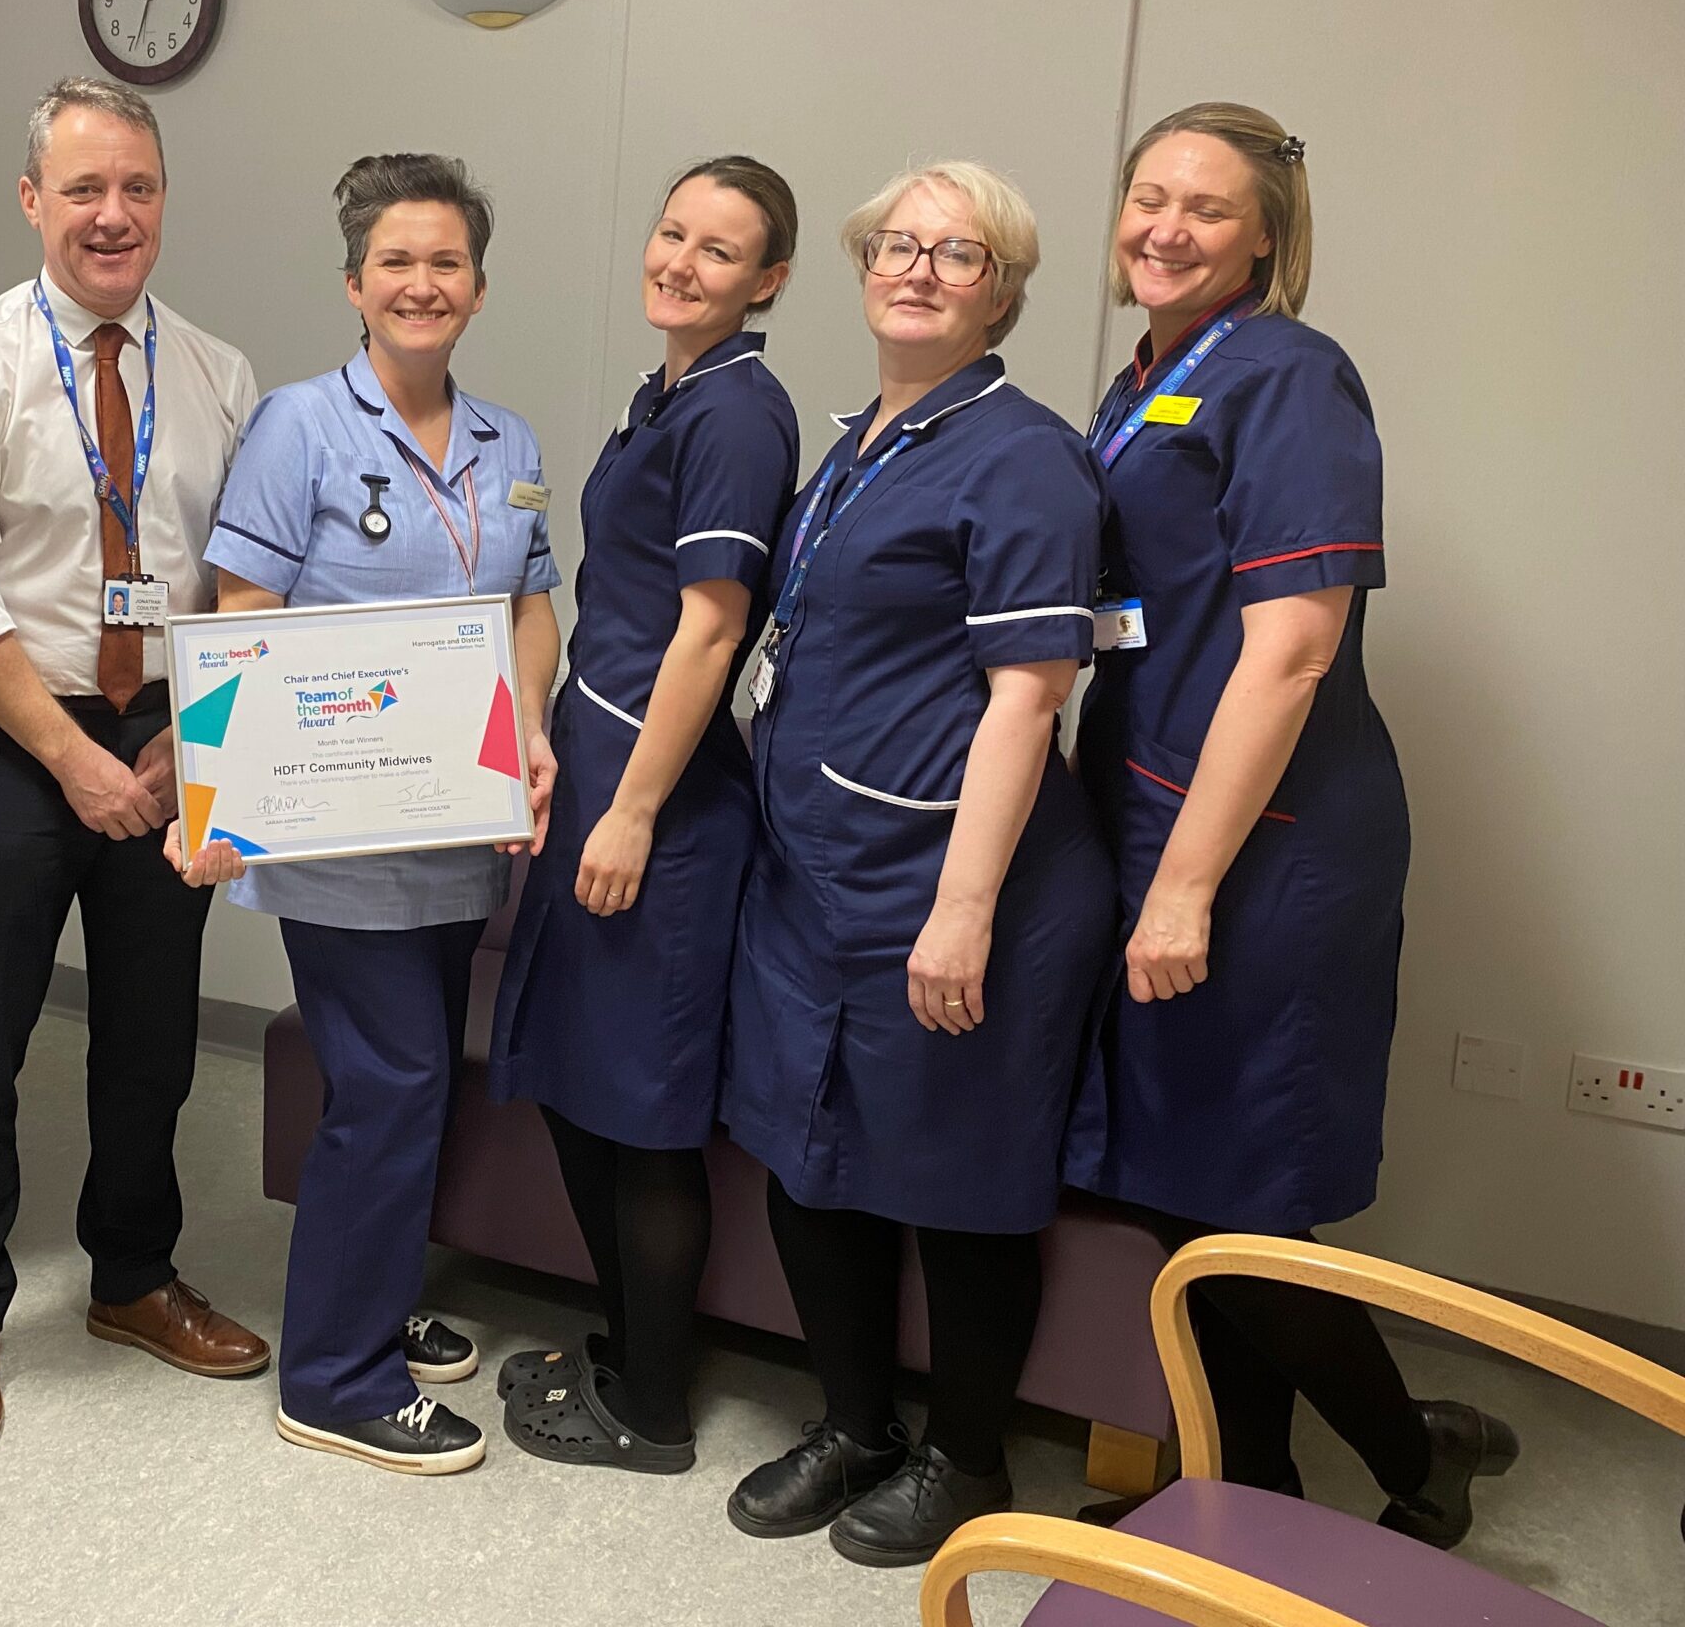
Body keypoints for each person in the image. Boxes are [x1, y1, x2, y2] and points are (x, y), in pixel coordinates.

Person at [1065, 102, 1515, 1546]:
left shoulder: (1290, 376)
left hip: (1264, 839)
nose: (1165, 228)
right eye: (1148, 196)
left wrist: (1186, 885)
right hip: (1156, 805)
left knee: (1235, 1191)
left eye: (1205, 208)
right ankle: (1246, 1490)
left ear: (1265, 237)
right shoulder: (1146, 378)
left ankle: (1414, 1459)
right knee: (1177, 1180)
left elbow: (1294, 651)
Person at [721, 162, 1116, 1565]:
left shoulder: (1022, 456)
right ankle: (855, 1425)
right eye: (898, 245)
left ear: (1001, 292)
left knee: (957, 1178)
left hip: (951, 880)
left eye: (959, 254)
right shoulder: (865, 442)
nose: (919, 271)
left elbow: (1028, 695)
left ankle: (967, 1455)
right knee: (807, 1155)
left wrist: (962, 910)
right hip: (818, 874)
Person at [0, 77, 269, 1454]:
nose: (113, 215)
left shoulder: (219, 376)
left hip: (169, 735)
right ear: (32, 199)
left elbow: (242, 579)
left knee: (153, 1037)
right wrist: (69, 758)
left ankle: (132, 1276)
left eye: (138, 188)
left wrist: (186, 737)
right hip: (11, 734)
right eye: (85, 188)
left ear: (163, 201)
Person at [175, 153, 561, 1476]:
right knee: (388, 1086)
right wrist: (221, 799)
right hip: (338, 834)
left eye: (445, 262)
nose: (421, 283)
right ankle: (334, 1377)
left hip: (458, 823)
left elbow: (528, 609)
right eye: (395, 261)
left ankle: (375, 1298)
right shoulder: (299, 428)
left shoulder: (511, 444)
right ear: (354, 284)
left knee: (413, 1083)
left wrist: (527, 732)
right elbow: (243, 619)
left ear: (478, 288)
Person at [486, 158, 802, 1472]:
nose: (681, 262)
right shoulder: (667, 393)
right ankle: (625, 1348)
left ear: (768, 279)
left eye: (719, 251)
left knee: (643, 1112)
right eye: (674, 233)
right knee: (579, 1090)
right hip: (599, 767)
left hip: (658, 806)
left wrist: (628, 812)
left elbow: (711, 629)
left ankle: (655, 1410)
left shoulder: (738, 415)